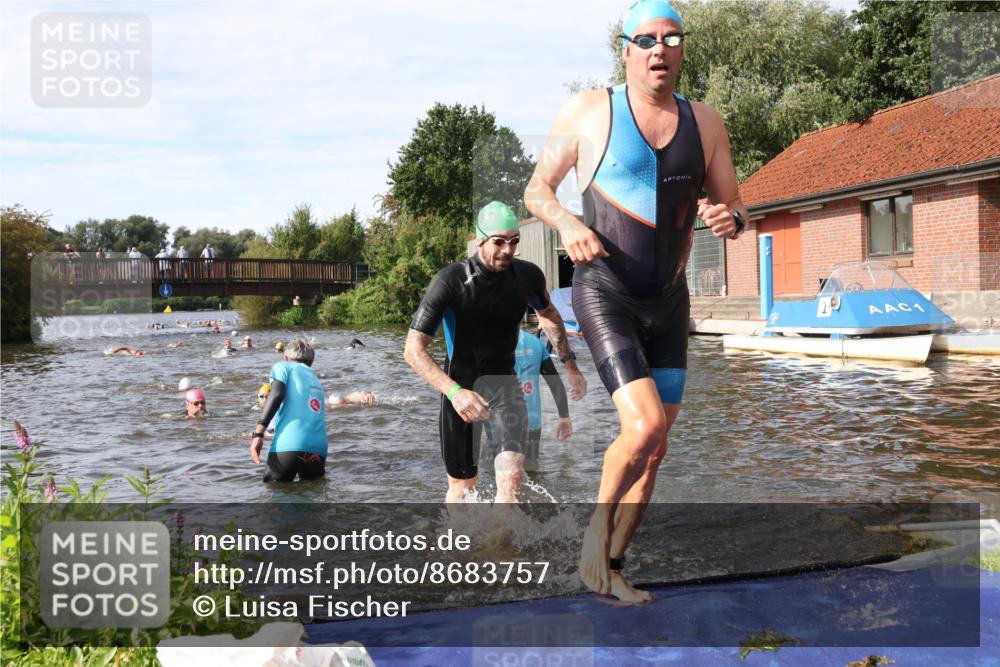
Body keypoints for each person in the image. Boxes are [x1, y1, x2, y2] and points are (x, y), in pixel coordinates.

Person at [524, 0, 749, 602]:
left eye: (671, 39)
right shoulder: (591, 111)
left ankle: (613, 570)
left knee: (655, 452)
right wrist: (568, 224)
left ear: (681, 50)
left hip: (669, 303)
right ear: (625, 50)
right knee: (643, 424)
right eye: (645, 39)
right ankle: (594, 534)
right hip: (607, 292)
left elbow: (735, 206)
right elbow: (537, 189)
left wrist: (731, 219)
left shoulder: (707, 123)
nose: (659, 50)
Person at [404, 201, 587, 504]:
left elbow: (551, 316)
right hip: (460, 388)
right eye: (499, 241)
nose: (507, 249)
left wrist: (570, 364)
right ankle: (460, 550)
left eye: (514, 241)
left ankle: (503, 548)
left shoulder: (528, 276)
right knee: (463, 489)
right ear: (480, 239)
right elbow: (413, 350)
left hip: (505, 386)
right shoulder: (450, 281)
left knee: (512, 474)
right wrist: (455, 393)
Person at [250, 339, 328, 482]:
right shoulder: (315, 378)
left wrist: (259, 434)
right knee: (309, 499)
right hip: (319, 447)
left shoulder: (283, 367)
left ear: (285, 358)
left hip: (290, 443)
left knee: (274, 492)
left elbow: (277, 394)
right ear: (312, 362)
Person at [496, 329, 573, 473]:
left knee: (500, 475)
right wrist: (564, 417)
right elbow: (555, 382)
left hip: (502, 423)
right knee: (531, 472)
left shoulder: (491, 342)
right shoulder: (535, 342)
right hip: (533, 424)